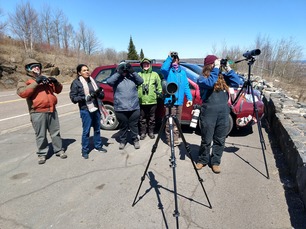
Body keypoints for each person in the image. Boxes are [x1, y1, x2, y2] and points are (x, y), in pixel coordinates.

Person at [17, 58, 67, 164]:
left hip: (52, 110)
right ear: (28, 69)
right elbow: (22, 93)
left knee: (55, 132)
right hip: (37, 112)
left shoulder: (45, 78)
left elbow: (58, 90)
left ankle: (59, 150)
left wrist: (55, 82)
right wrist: (36, 82)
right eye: (33, 66)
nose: (37, 68)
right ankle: (42, 154)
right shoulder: (24, 80)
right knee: (41, 135)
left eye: (38, 66)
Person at [196, 54, 234, 174]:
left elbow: (237, 82)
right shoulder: (202, 79)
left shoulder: (222, 78)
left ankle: (216, 162)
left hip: (223, 112)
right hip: (208, 113)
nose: (216, 66)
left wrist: (229, 70)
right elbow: (210, 83)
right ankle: (203, 159)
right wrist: (216, 68)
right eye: (214, 64)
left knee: (220, 139)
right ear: (209, 66)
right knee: (206, 139)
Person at [69, 64, 107, 159]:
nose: (87, 72)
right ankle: (85, 150)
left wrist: (99, 93)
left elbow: (102, 94)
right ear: (79, 73)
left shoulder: (93, 81)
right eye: (84, 70)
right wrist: (85, 97)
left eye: (87, 70)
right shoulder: (76, 83)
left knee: (97, 129)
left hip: (96, 108)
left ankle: (98, 146)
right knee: (86, 131)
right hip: (85, 110)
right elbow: (73, 98)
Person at [106, 62, 143, 150]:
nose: (125, 70)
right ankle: (123, 141)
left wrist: (133, 71)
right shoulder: (116, 79)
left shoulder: (132, 77)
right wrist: (119, 72)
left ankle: (135, 140)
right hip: (120, 107)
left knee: (134, 125)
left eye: (125, 68)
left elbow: (141, 81)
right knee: (123, 126)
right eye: (122, 68)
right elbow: (109, 82)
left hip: (133, 107)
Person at [160, 51, 193, 146]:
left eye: (176, 59)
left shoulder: (182, 72)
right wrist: (169, 58)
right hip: (170, 101)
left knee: (177, 121)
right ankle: (170, 139)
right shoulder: (168, 71)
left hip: (179, 101)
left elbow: (186, 86)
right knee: (169, 121)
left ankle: (175, 138)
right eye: (173, 59)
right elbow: (163, 68)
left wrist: (189, 98)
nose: (174, 60)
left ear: (178, 60)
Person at [138, 58, 162, 140]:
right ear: (142, 65)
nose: (146, 65)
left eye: (147, 64)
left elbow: (159, 87)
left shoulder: (155, 74)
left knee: (152, 118)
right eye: (144, 64)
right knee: (142, 119)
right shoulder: (139, 74)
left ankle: (151, 132)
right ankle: (143, 133)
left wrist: (157, 96)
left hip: (152, 101)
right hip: (142, 101)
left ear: (150, 65)